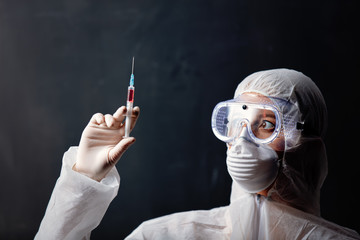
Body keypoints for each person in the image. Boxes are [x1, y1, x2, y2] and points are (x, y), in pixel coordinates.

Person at [35, 69, 360, 239]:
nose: (241, 140)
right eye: (235, 123)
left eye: (266, 124)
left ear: (309, 148)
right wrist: (82, 183)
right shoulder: (165, 236)